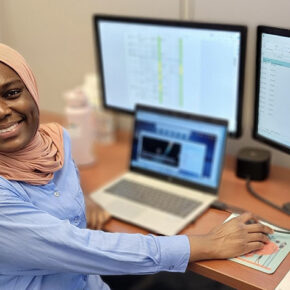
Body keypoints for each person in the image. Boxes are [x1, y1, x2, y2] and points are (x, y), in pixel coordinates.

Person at [0, 43, 273, 290]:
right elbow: (82, 249)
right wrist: (207, 243)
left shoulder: (54, 141)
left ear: (31, 88)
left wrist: (79, 199)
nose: (2, 111)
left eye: (11, 93)